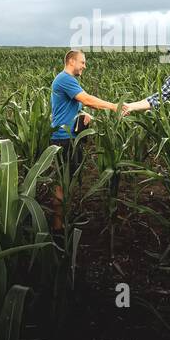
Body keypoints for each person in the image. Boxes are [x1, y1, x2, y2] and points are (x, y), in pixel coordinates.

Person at [49, 49, 125, 230]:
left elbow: (73, 105)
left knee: (68, 182)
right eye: (82, 62)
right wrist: (115, 106)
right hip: (63, 140)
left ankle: (63, 222)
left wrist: (82, 115)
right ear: (72, 61)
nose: (85, 66)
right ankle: (58, 228)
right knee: (62, 183)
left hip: (70, 138)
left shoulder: (67, 80)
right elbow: (87, 99)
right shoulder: (65, 79)